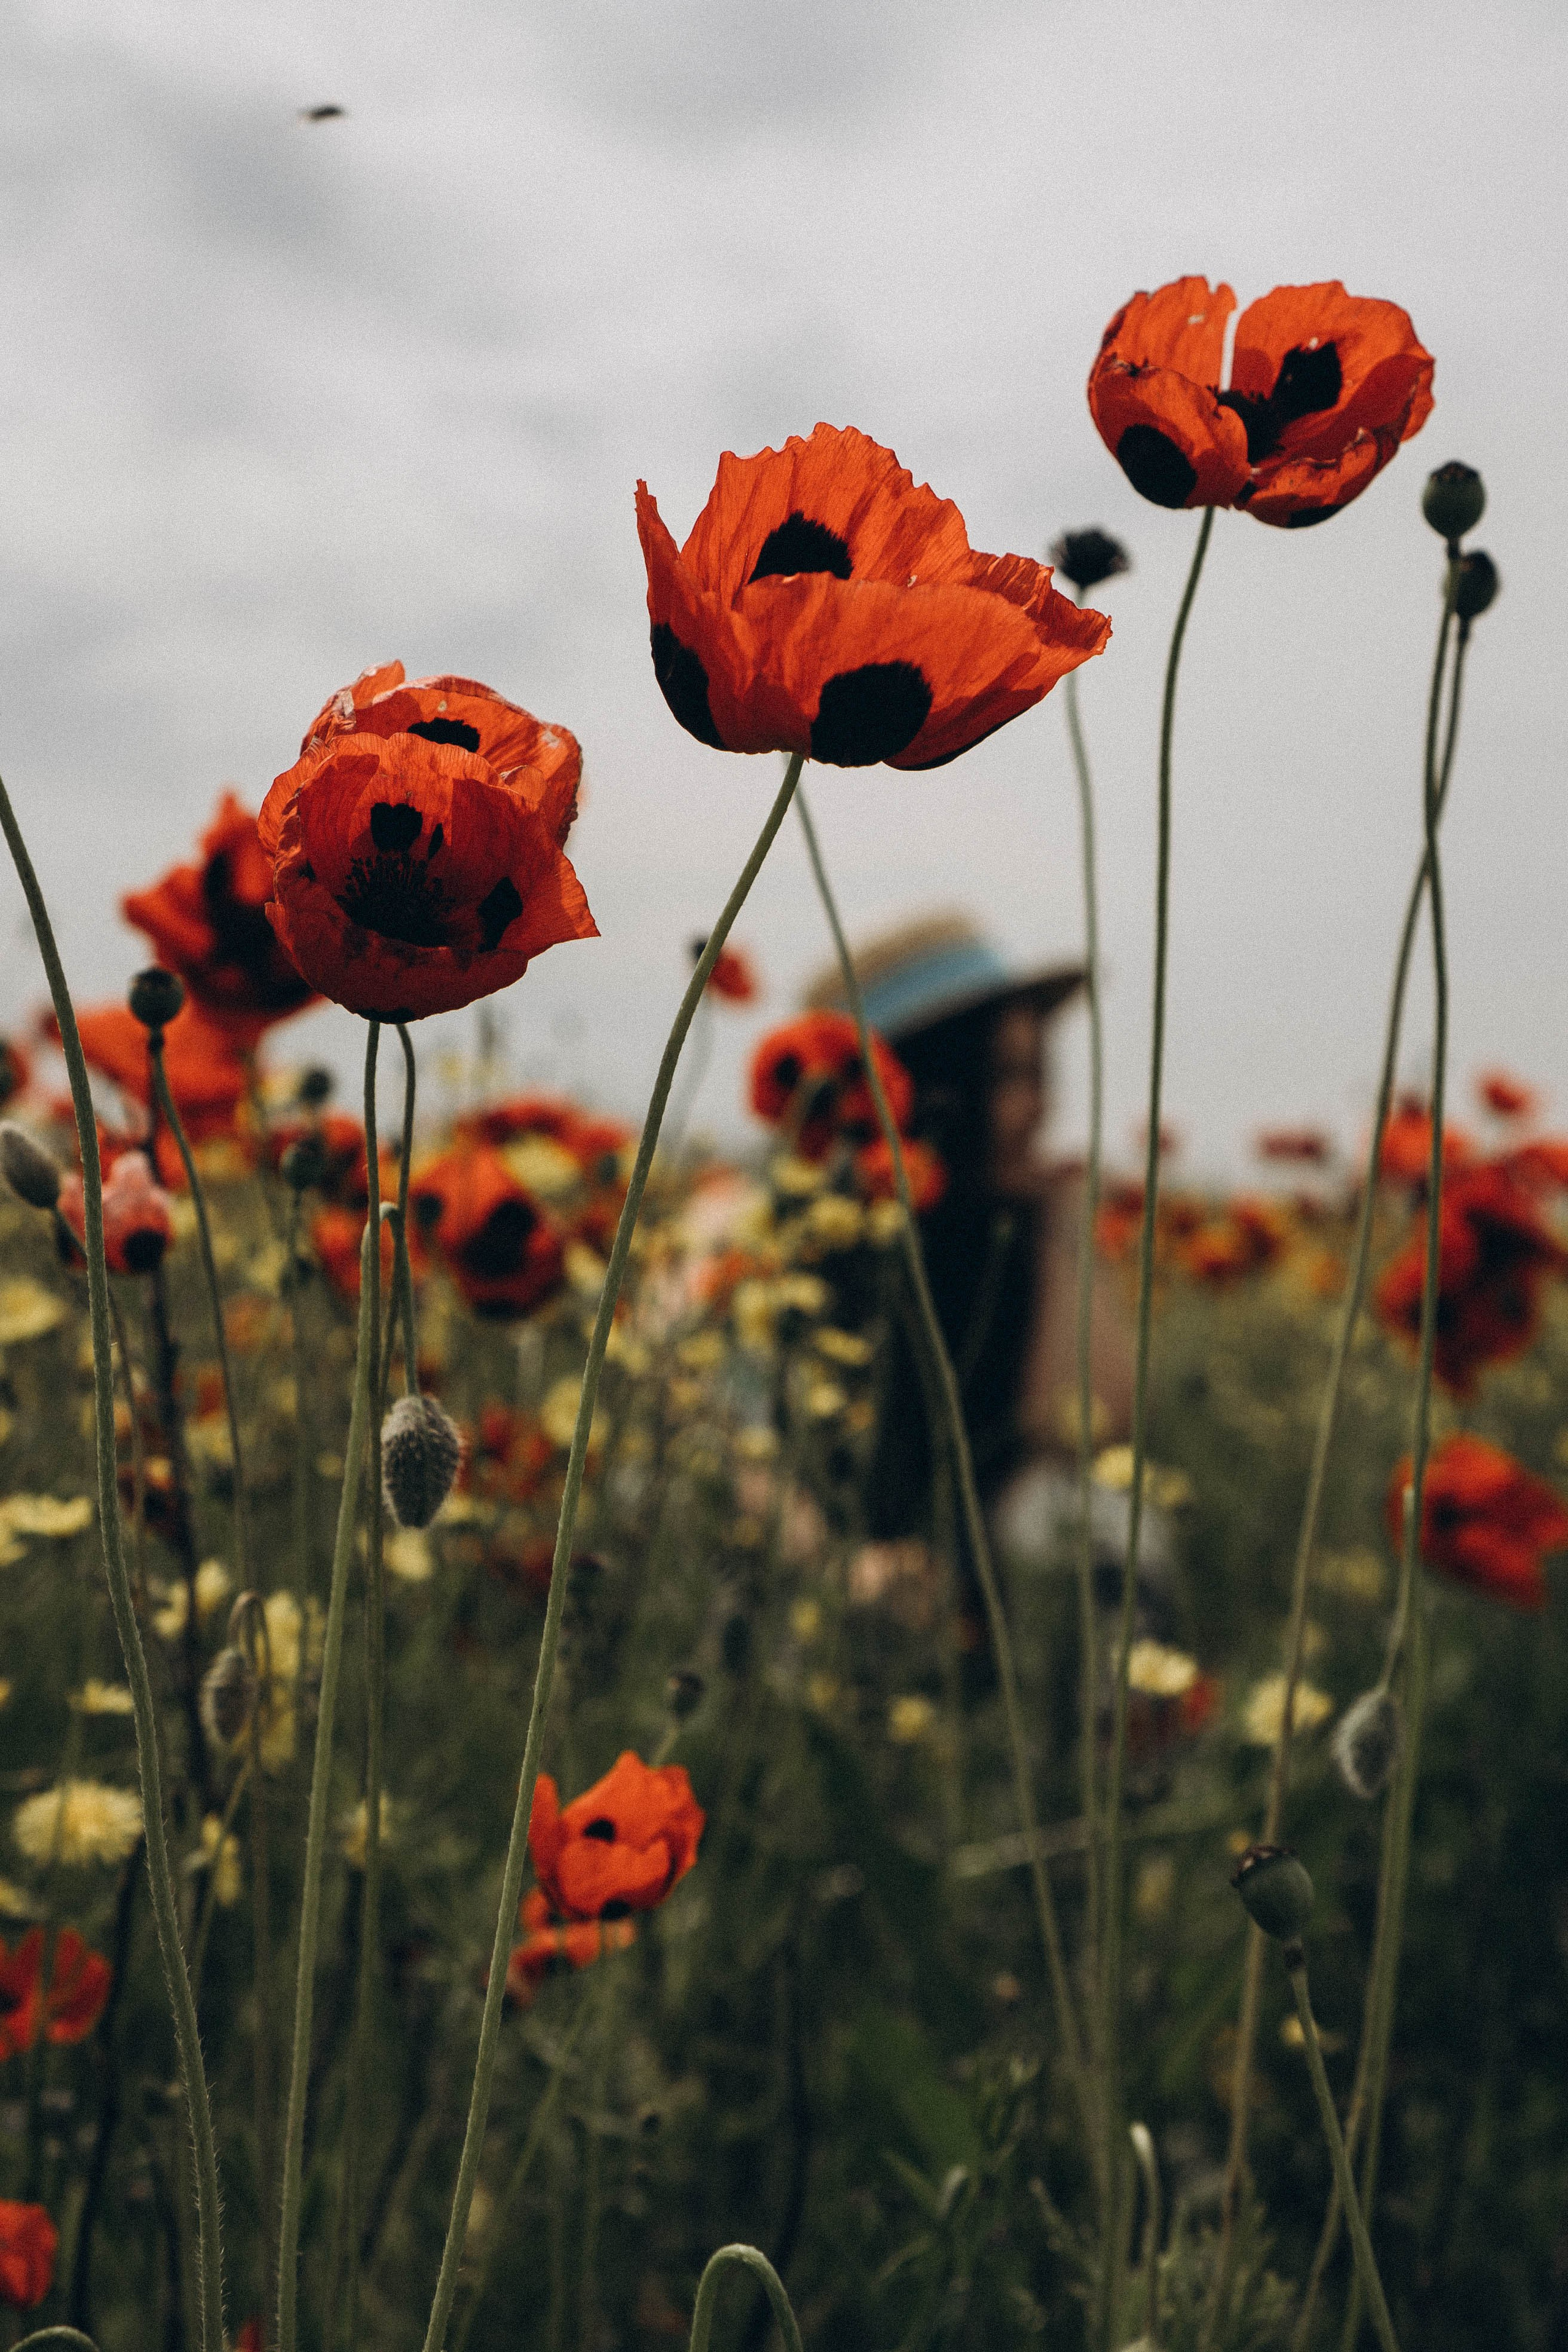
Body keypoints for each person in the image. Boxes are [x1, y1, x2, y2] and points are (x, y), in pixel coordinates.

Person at [804, 913, 1159, 1635]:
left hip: (979, 1563)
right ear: (927, 1087)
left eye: (1038, 1073)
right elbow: (727, 1439)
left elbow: (1084, 1428)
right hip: (816, 1573)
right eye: (1005, 1077)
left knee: (1095, 1519)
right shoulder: (806, 1231)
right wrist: (836, 1563)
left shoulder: (1016, 1229)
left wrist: (1064, 1227)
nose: (1039, 1107)